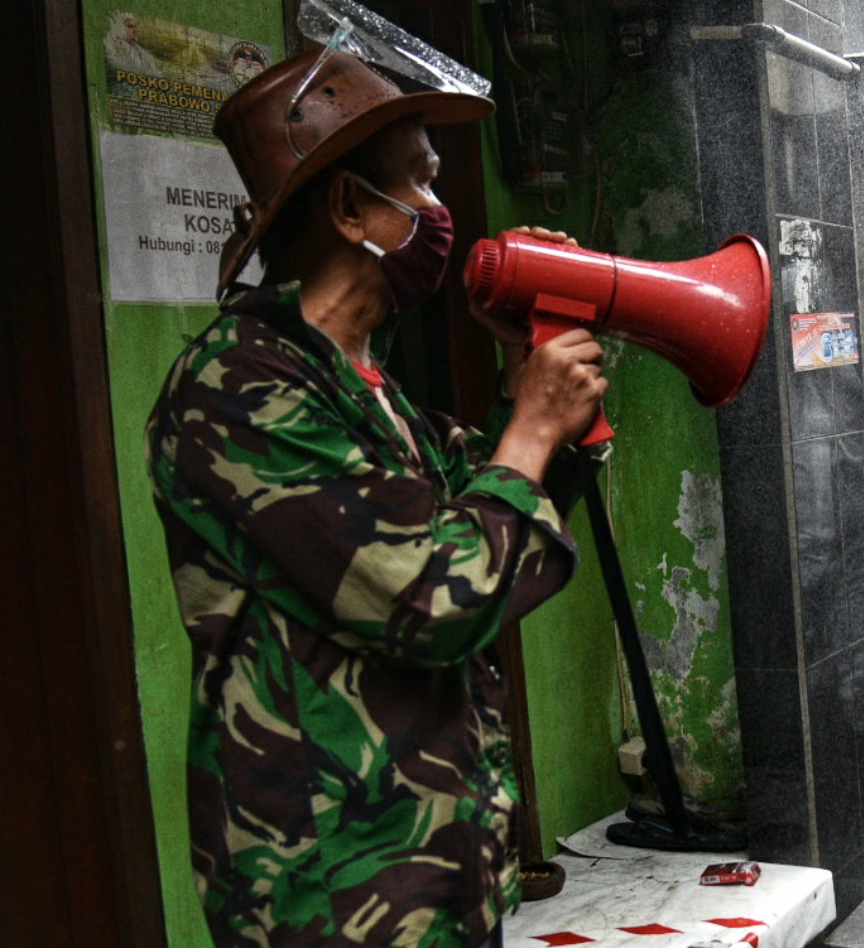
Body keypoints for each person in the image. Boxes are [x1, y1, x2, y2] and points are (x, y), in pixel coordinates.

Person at [145, 49, 607, 946]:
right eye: (424, 184)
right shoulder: (240, 389)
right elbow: (438, 595)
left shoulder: (363, 391)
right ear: (352, 206)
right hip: (333, 891)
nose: (443, 215)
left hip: (431, 874)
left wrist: (540, 384)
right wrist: (532, 428)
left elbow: (497, 536)